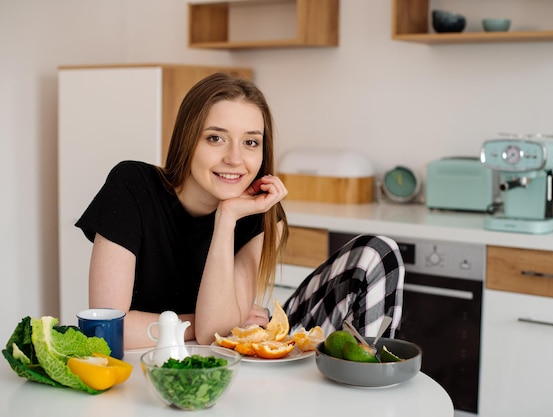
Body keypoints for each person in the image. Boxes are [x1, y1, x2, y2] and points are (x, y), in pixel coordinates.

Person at [76, 72, 405, 349]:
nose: (235, 159)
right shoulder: (133, 185)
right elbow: (106, 329)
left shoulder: (260, 213)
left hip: (232, 361)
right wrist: (198, 323)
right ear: (187, 140)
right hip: (164, 365)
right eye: (216, 138)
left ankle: (369, 379)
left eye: (250, 142)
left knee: (377, 252)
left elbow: (219, 332)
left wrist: (228, 217)